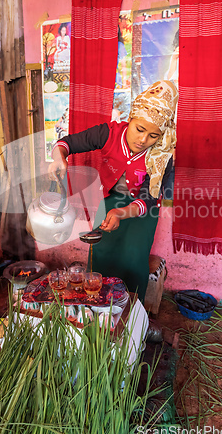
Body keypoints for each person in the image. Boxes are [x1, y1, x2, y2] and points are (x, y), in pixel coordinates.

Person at [48, 80, 178, 301]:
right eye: (139, 129)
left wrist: (121, 213)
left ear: (161, 136)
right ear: (131, 119)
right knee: (102, 253)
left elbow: (148, 199)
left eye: (153, 135)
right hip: (109, 201)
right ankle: (98, 304)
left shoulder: (161, 156)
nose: (143, 139)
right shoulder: (108, 134)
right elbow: (68, 143)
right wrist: (59, 158)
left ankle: (131, 311)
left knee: (133, 260)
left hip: (141, 213)